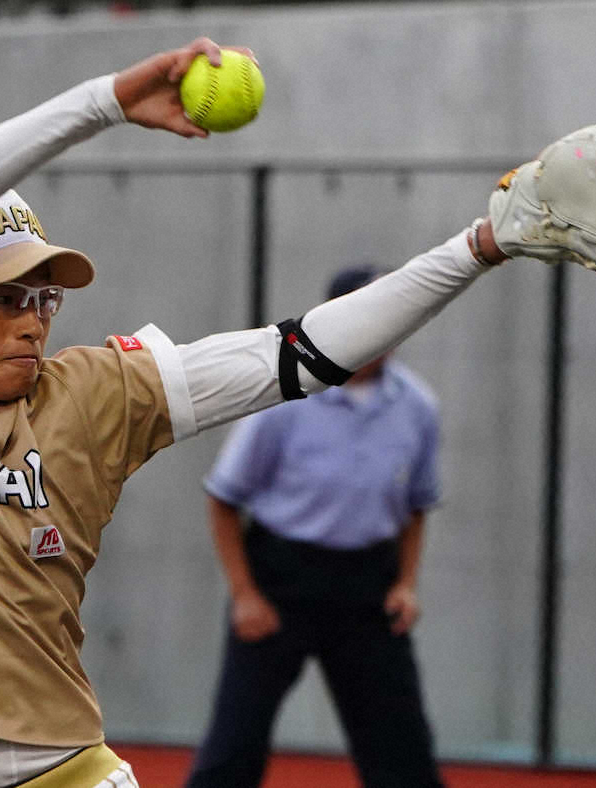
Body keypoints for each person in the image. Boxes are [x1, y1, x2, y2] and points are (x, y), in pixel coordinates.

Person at [0, 34, 596, 788]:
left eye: (43, 298)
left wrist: (479, 245)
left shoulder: (92, 396)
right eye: (3, 297)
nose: (33, 318)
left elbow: (297, 354)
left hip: (57, 769)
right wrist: (102, 102)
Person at [185, 264, 445, 788]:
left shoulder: (417, 407)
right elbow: (224, 497)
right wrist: (244, 595)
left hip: (369, 585)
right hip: (281, 580)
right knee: (234, 745)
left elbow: (418, 505)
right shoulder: (283, 398)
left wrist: (405, 585)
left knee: (402, 749)